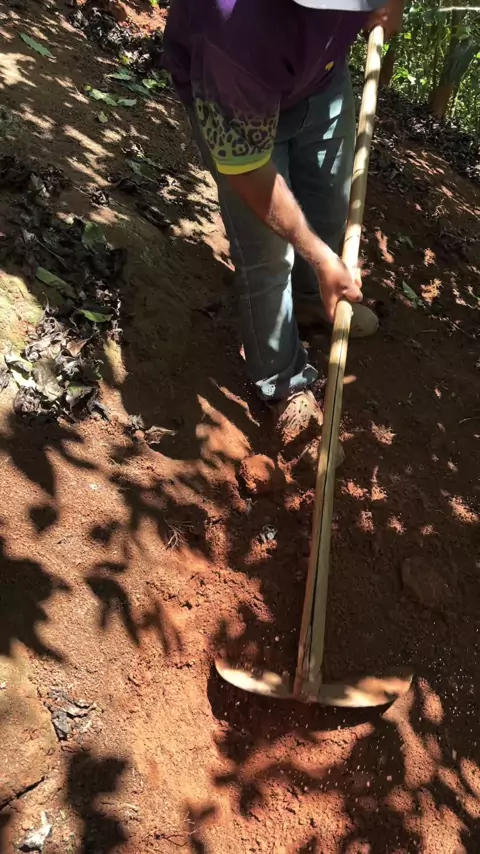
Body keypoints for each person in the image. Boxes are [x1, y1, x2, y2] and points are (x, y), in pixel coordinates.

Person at [164, 0, 404, 450]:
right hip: (242, 91)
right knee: (269, 253)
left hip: (323, 77)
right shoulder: (232, 33)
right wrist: (321, 257)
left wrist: (393, 4)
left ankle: (312, 301)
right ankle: (282, 381)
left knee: (329, 204)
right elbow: (249, 172)